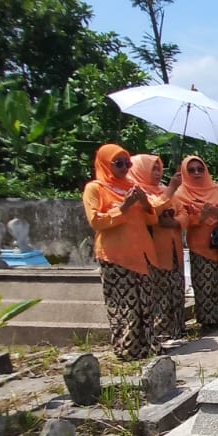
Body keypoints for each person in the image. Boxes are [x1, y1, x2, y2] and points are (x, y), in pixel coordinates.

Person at [82, 144, 160, 360]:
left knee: (145, 302)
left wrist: (144, 203)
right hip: (116, 256)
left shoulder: (132, 186)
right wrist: (124, 207)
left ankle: (148, 346)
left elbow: (151, 219)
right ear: (106, 164)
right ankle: (127, 350)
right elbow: (96, 221)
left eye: (128, 163)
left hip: (141, 253)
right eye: (119, 163)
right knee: (125, 305)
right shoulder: (95, 188)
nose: (125, 167)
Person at [176, 154, 218, 329]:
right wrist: (201, 217)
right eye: (192, 170)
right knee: (206, 283)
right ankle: (209, 321)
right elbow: (182, 221)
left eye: (200, 169)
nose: (197, 173)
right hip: (201, 246)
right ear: (185, 172)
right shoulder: (181, 193)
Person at [129, 153, 187, 342]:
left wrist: (176, 222)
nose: (157, 172)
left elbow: (183, 211)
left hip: (174, 248)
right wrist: (170, 189)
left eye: (158, 168)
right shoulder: (136, 191)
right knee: (158, 290)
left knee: (176, 288)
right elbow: (151, 212)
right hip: (153, 250)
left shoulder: (163, 189)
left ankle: (177, 328)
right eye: (152, 168)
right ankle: (160, 331)